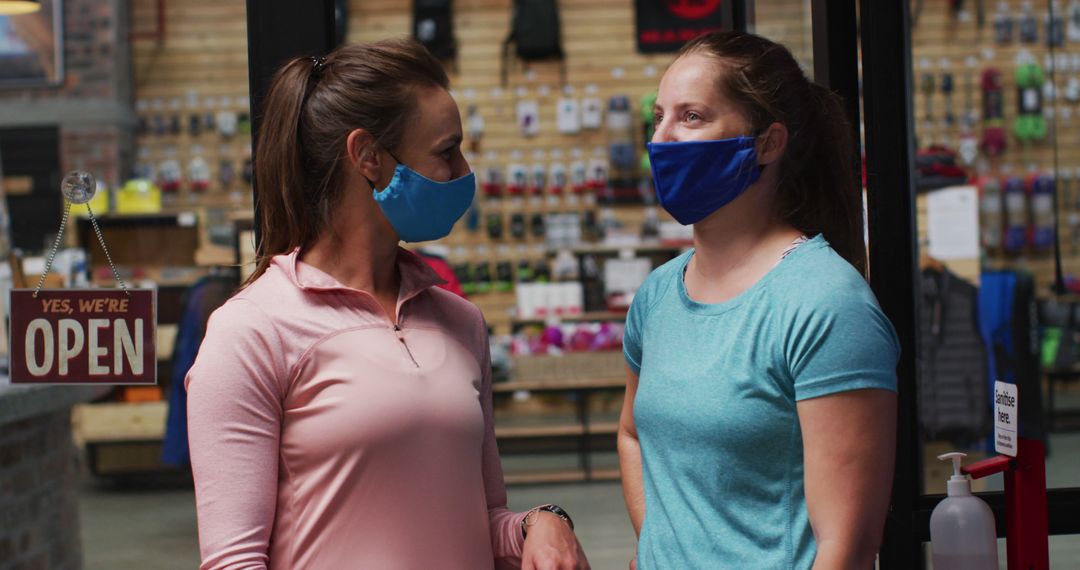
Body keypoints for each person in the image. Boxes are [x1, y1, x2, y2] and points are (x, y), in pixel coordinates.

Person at [185, 38, 589, 570]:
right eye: (446, 151)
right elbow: (233, 560)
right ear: (368, 157)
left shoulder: (459, 320)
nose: (464, 171)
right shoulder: (253, 329)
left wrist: (542, 522)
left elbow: (483, 519)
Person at [617, 31, 899, 569]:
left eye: (692, 117)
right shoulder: (657, 295)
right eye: (658, 117)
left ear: (769, 143)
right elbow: (632, 432)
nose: (663, 138)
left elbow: (849, 546)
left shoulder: (826, 304)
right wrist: (658, 545)